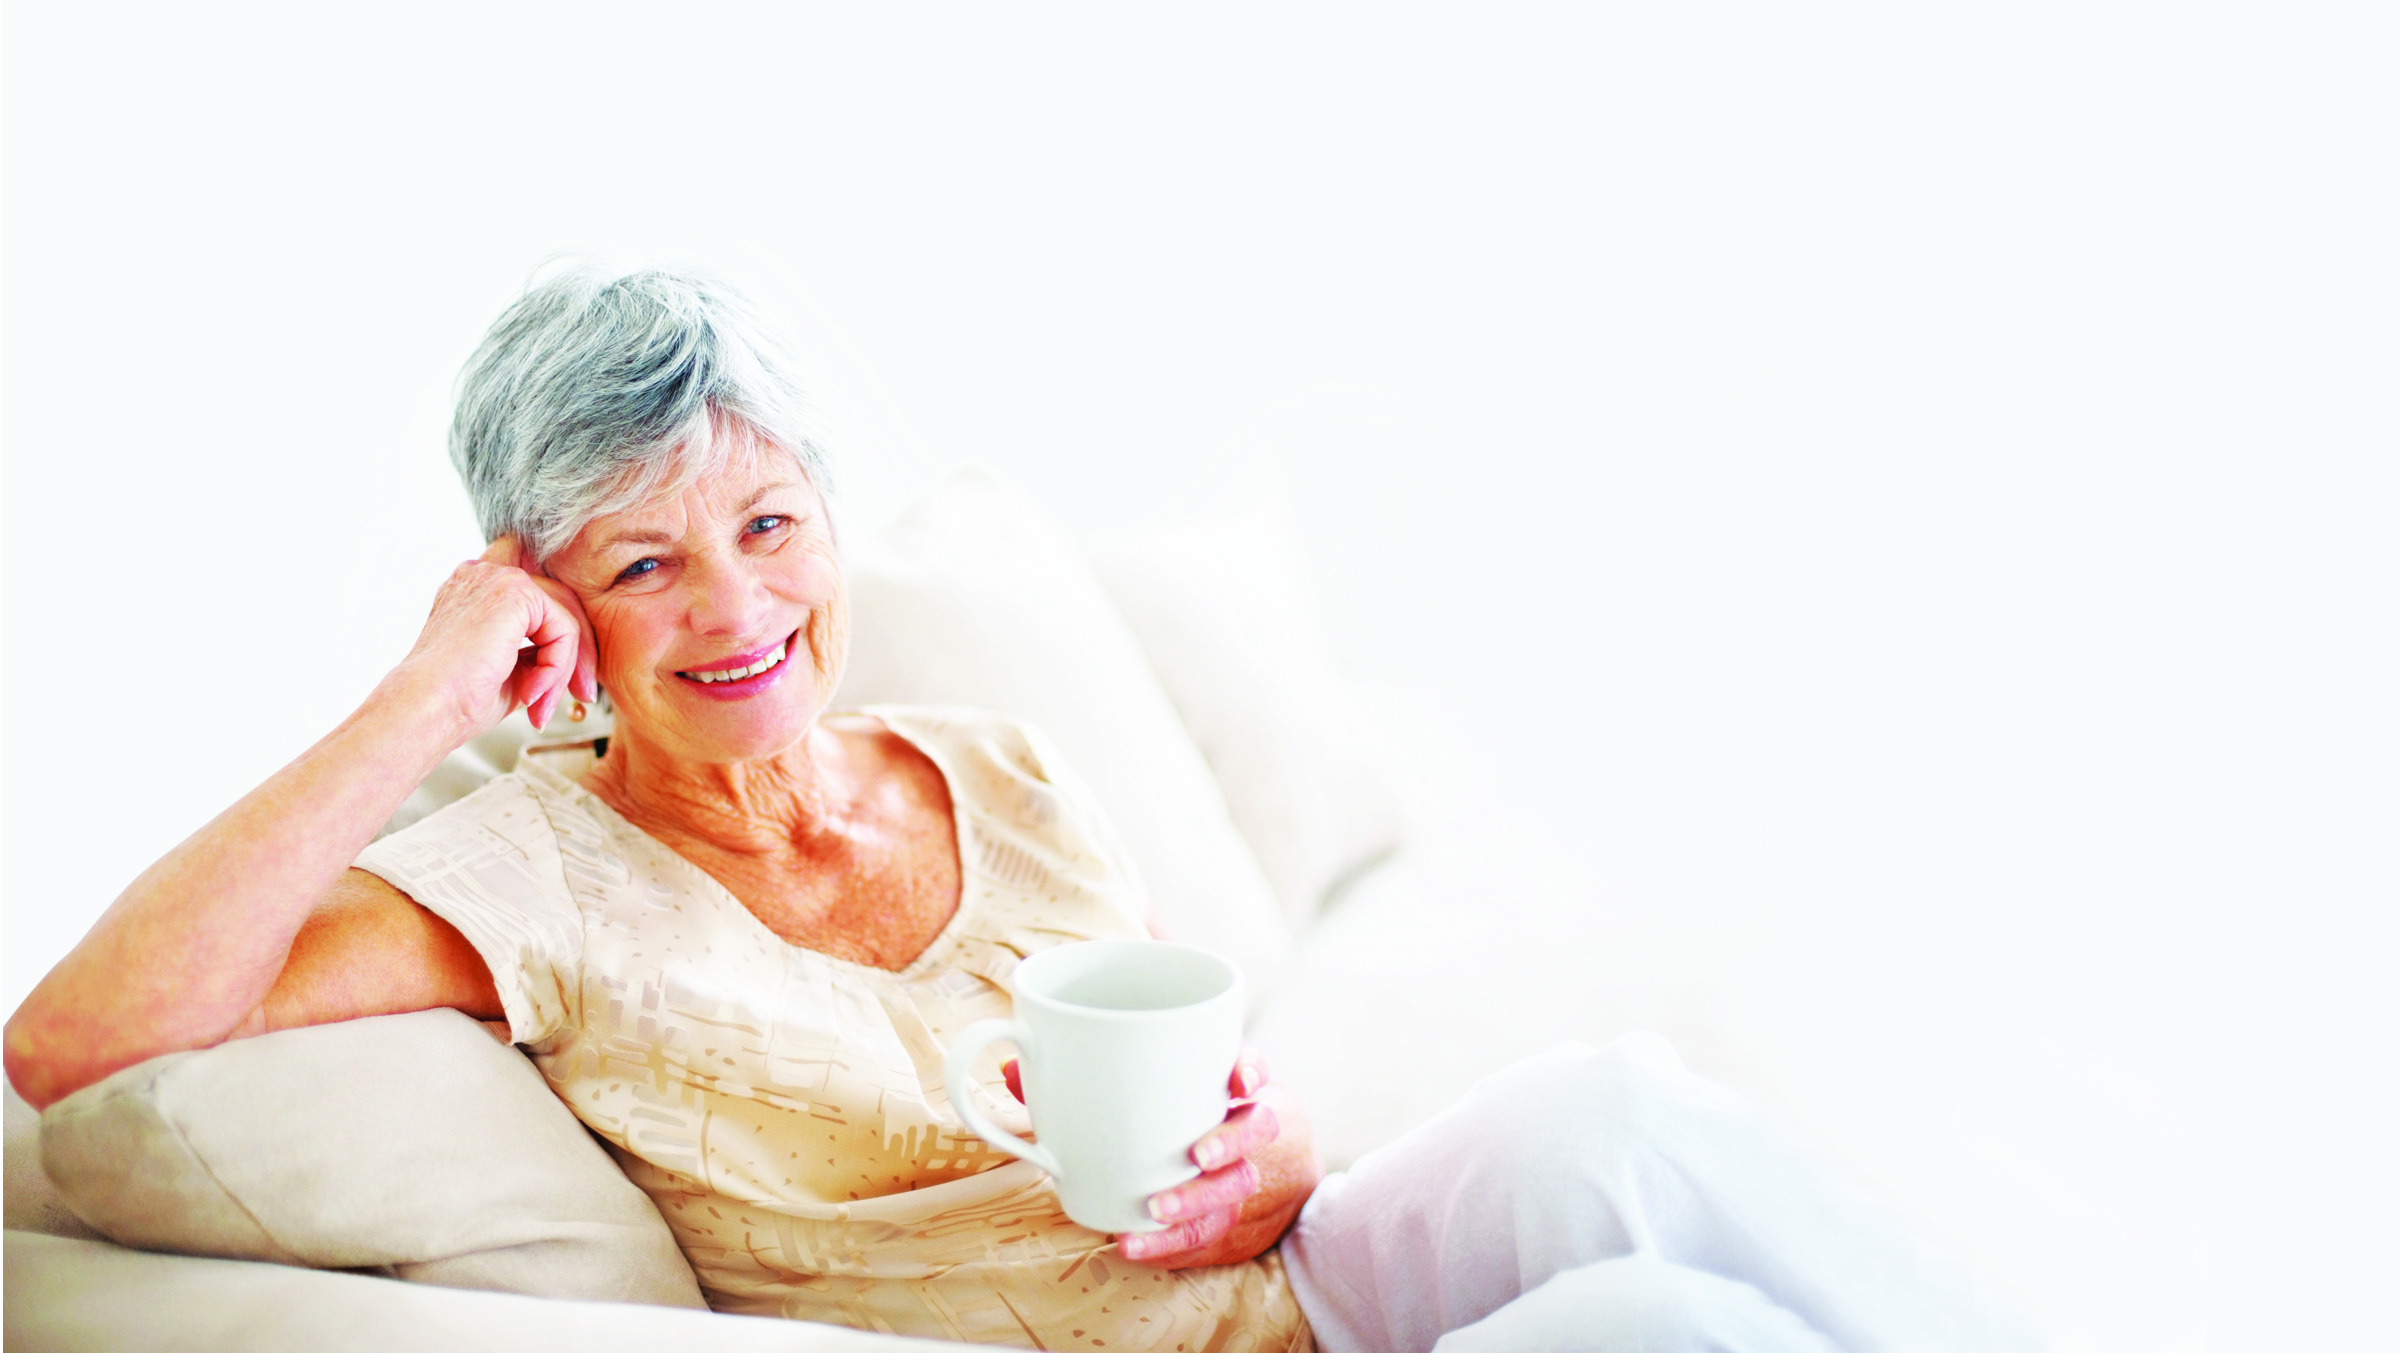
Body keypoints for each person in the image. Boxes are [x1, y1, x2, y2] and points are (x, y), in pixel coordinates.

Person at [2, 270, 2043, 1353]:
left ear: (825, 504)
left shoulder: (996, 769)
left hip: (1287, 1294)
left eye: (770, 522)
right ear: (545, 595)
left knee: (1615, 1112)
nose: (737, 609)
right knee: (1640, 1325)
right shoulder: (519, 876)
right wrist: (425, 684)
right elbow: (78, 1039)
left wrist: (1269, 1154)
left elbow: (1215, 1119)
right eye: (642, 568)